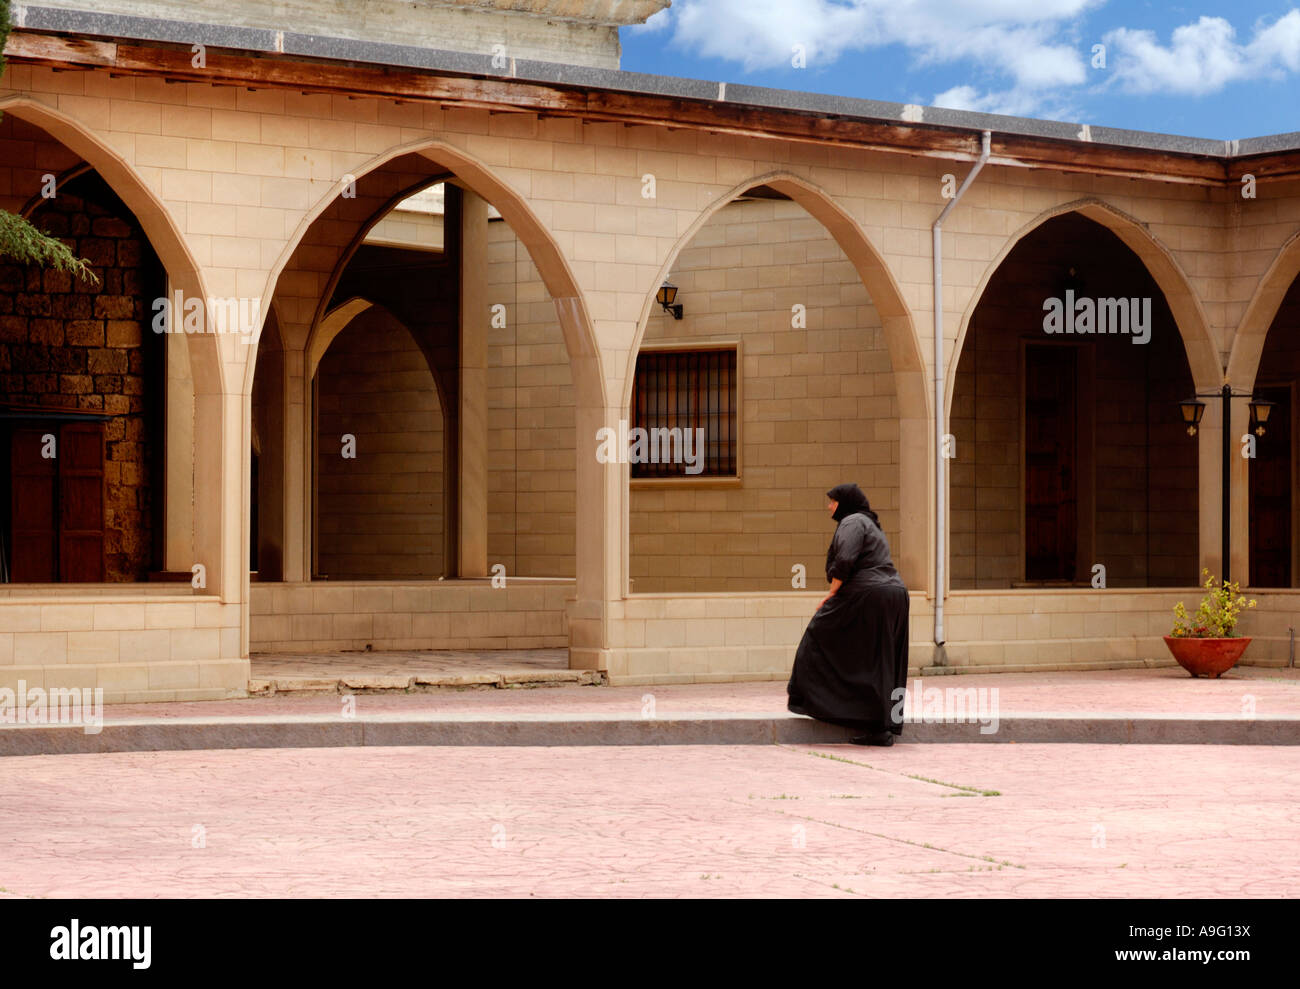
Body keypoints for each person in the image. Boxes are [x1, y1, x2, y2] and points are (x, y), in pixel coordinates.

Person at [787, 483, 910, 746]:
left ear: (845, 503)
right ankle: (880, 726)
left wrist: (832, 594)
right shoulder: (871, 524)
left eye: (832, 502)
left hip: (868, 593)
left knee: (818, 635)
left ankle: (815, 702)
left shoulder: (852, 521)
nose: (829, 507)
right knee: (879, 659)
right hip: (893, 594)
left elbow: (845, 560)